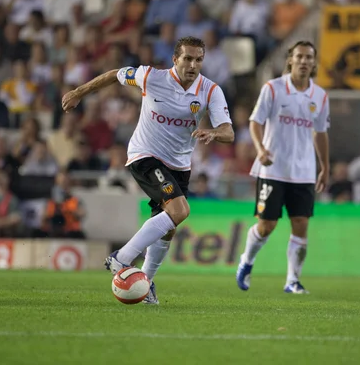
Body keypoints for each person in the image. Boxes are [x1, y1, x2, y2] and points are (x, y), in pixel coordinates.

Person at [62, 36, 234, 304]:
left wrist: (213, 132)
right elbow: (114, 75)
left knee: (168, 227)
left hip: (179, 164)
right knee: (179, 211)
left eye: (198, 59)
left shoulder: (210, 91)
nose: (192, 65)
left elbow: (229, 132)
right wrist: (78, 93)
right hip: (145, 155)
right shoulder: (151, 77)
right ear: (175, 59)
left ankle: (147, 283)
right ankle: (121, 258)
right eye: (187, 58)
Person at [236, 41, 330, 294]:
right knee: (267, 225)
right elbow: (255, 122)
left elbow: (320, 133)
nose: (304, 61)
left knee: (300, 223)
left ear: (314, 62)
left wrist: (325, 166)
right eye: (299, 56)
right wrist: (260, 149)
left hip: (304, 171)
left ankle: (292, 281)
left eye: (309, 57)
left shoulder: (320, 96)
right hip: (273, 168)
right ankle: (247, 260)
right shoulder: (273, 89)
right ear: (290, 60)